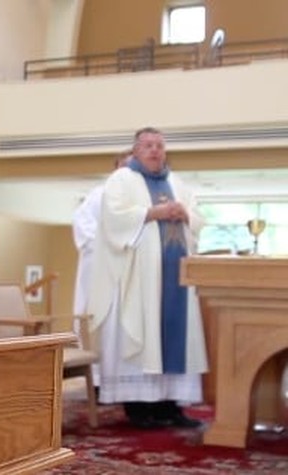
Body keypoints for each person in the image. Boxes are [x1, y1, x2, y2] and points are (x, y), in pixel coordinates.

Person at [88, 127, 207, 430]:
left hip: (178, 276)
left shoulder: (176, 182)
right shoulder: (121, 180)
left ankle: (172, 406)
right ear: (136, 150)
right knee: (145, 331)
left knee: (175, 337)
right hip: (141, 279)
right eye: (148, 146)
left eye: (160, 146)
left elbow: (198, 217)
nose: (155, 151)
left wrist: (185, 215)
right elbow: (113, 218)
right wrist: (153, 212)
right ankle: (140, 409)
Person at [72, 150, 131, 316]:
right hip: (100, 269)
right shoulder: (99, 195)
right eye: (124, 166)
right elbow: (83, 227)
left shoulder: (143, 199)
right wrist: (112, 245)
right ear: (116, 168)